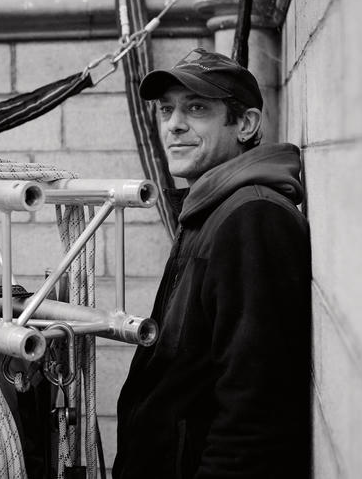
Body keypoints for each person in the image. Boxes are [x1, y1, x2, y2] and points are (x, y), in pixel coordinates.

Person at [114, 48, 311, 478]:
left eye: (196, 108)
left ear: (245, 124)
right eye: (166, 109)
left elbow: (255, 415)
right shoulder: (212, 211)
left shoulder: (252, 218)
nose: (174, 124)